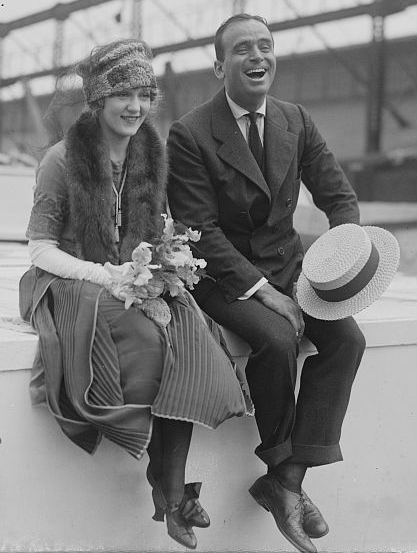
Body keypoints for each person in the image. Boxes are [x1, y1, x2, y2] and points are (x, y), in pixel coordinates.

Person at [19, 39, 248, 551]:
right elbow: (40, 250)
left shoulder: (152, 153)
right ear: (98, 100)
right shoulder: (61, 160)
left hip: (134, 274)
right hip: (72, 279)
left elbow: (155, 227)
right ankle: (171, 492)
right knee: (149, 342)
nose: (136, 107)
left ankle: (170, 489)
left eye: (145, 95)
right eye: (123, 94)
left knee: (188, 333)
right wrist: (106, 277)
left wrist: (167, 259)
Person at [167, 14, 367, 553]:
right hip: (223, 277)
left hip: (290, 267)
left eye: (265, 46)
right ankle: (283, 473)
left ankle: (288, 478)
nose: (257, 57)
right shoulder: (189, 133)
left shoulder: (294, 119)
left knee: (347, 339)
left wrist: (340, 262)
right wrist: (268, 293)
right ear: (219, 66)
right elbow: (200, 233)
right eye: (242, 50)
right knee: (276, 339)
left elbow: (338, 197)